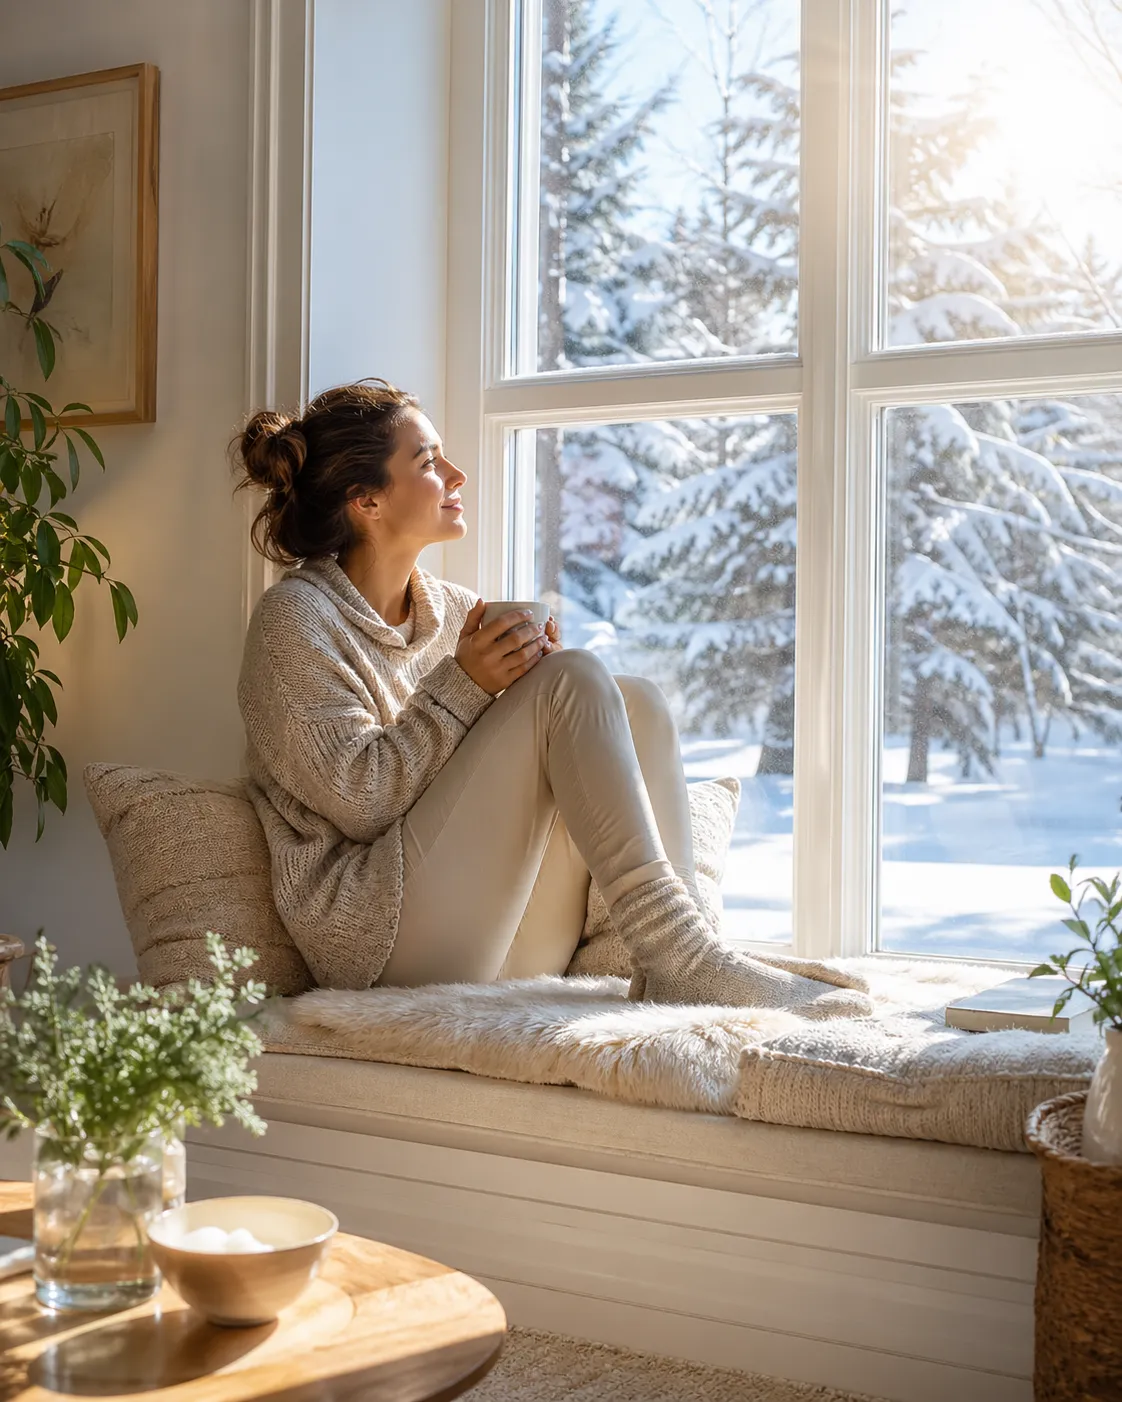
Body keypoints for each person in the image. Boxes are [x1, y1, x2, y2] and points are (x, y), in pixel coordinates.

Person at [233, 378, 869, 1016]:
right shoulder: (295, 620)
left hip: (498, 936)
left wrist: (542, 697)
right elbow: (362, 802)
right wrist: (475, 687)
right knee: (573, 681)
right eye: (428, 462)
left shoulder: (454, 612)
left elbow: (478, 767)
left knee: (634, 703)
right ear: (367, 500)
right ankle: (685, 960)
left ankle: (672, 954)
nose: (456, 475)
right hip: (378, 943)